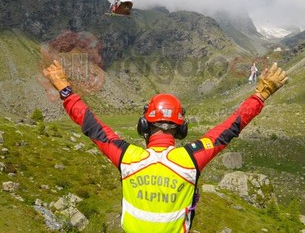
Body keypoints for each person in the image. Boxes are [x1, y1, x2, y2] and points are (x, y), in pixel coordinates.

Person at [43, 60, 288, 233]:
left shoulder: (128, 158)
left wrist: (65, 89)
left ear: (143, 125)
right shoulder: (191, 159)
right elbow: (231, 127)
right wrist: (261, 93)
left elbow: (90, 124)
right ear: (181, 129)